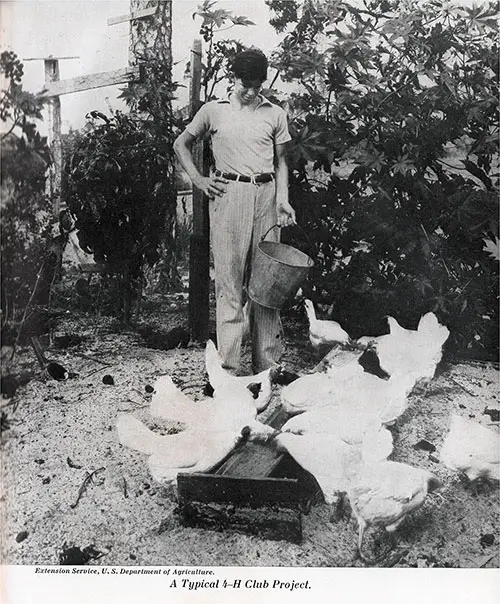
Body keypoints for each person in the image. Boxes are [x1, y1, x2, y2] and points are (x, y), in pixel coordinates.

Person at [174, 48, 296, 374]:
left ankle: (267, 368)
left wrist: (283, 199)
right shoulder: (213, 111)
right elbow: (180, 144)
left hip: (267, 197)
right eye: (246, 83)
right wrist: (199, 181)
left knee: (266, 285)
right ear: (233, 77)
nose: (252, 91)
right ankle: (226, 371)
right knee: (229, 284)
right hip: (229, 195)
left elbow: (283, 161)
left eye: (258, 84)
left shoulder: (275, 114)